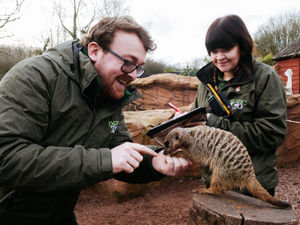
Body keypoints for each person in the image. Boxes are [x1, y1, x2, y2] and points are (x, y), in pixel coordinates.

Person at [0, 16, 191, 225]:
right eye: (128, 63)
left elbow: (120, 150)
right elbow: (8, 157)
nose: (134, 76)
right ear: (94, 51)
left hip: (59, 213)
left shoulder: (110, 94)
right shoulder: (36, 77)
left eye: (139, 67)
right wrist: (104, 160)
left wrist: (155, 163)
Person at [192, 15, 287, 196]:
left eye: (226, 49)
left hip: (251, 186)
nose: (219, 57)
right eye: (213, 51)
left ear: (242, 47)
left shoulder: (265, 77)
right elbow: (198, 120)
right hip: (213, 181)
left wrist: (213, 124)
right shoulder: (205, 82)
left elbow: (272, 133)